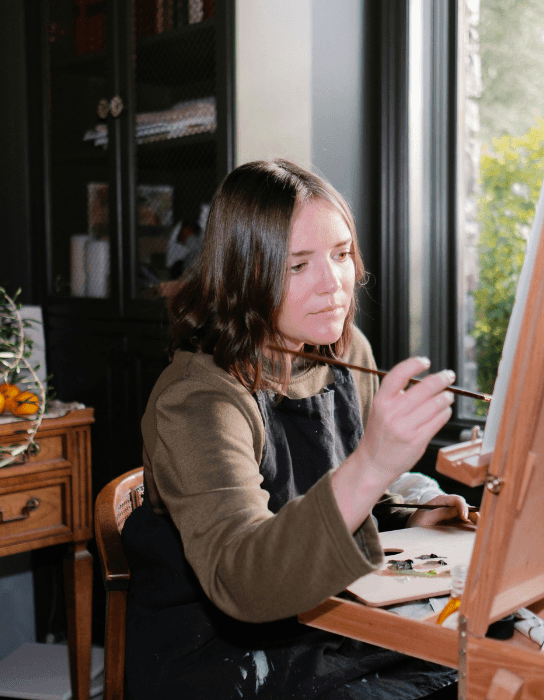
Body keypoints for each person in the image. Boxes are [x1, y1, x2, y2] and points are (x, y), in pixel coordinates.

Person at [121, 159, 471, 699]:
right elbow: (242, 579)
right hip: (223, 661)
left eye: (340, 255)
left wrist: (408, 507)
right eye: (297, 267)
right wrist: (375, 463)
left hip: (327, 628)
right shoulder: (196, 400)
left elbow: (333, 497)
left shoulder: (347, 353)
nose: (334, 284)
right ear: (243, 275)